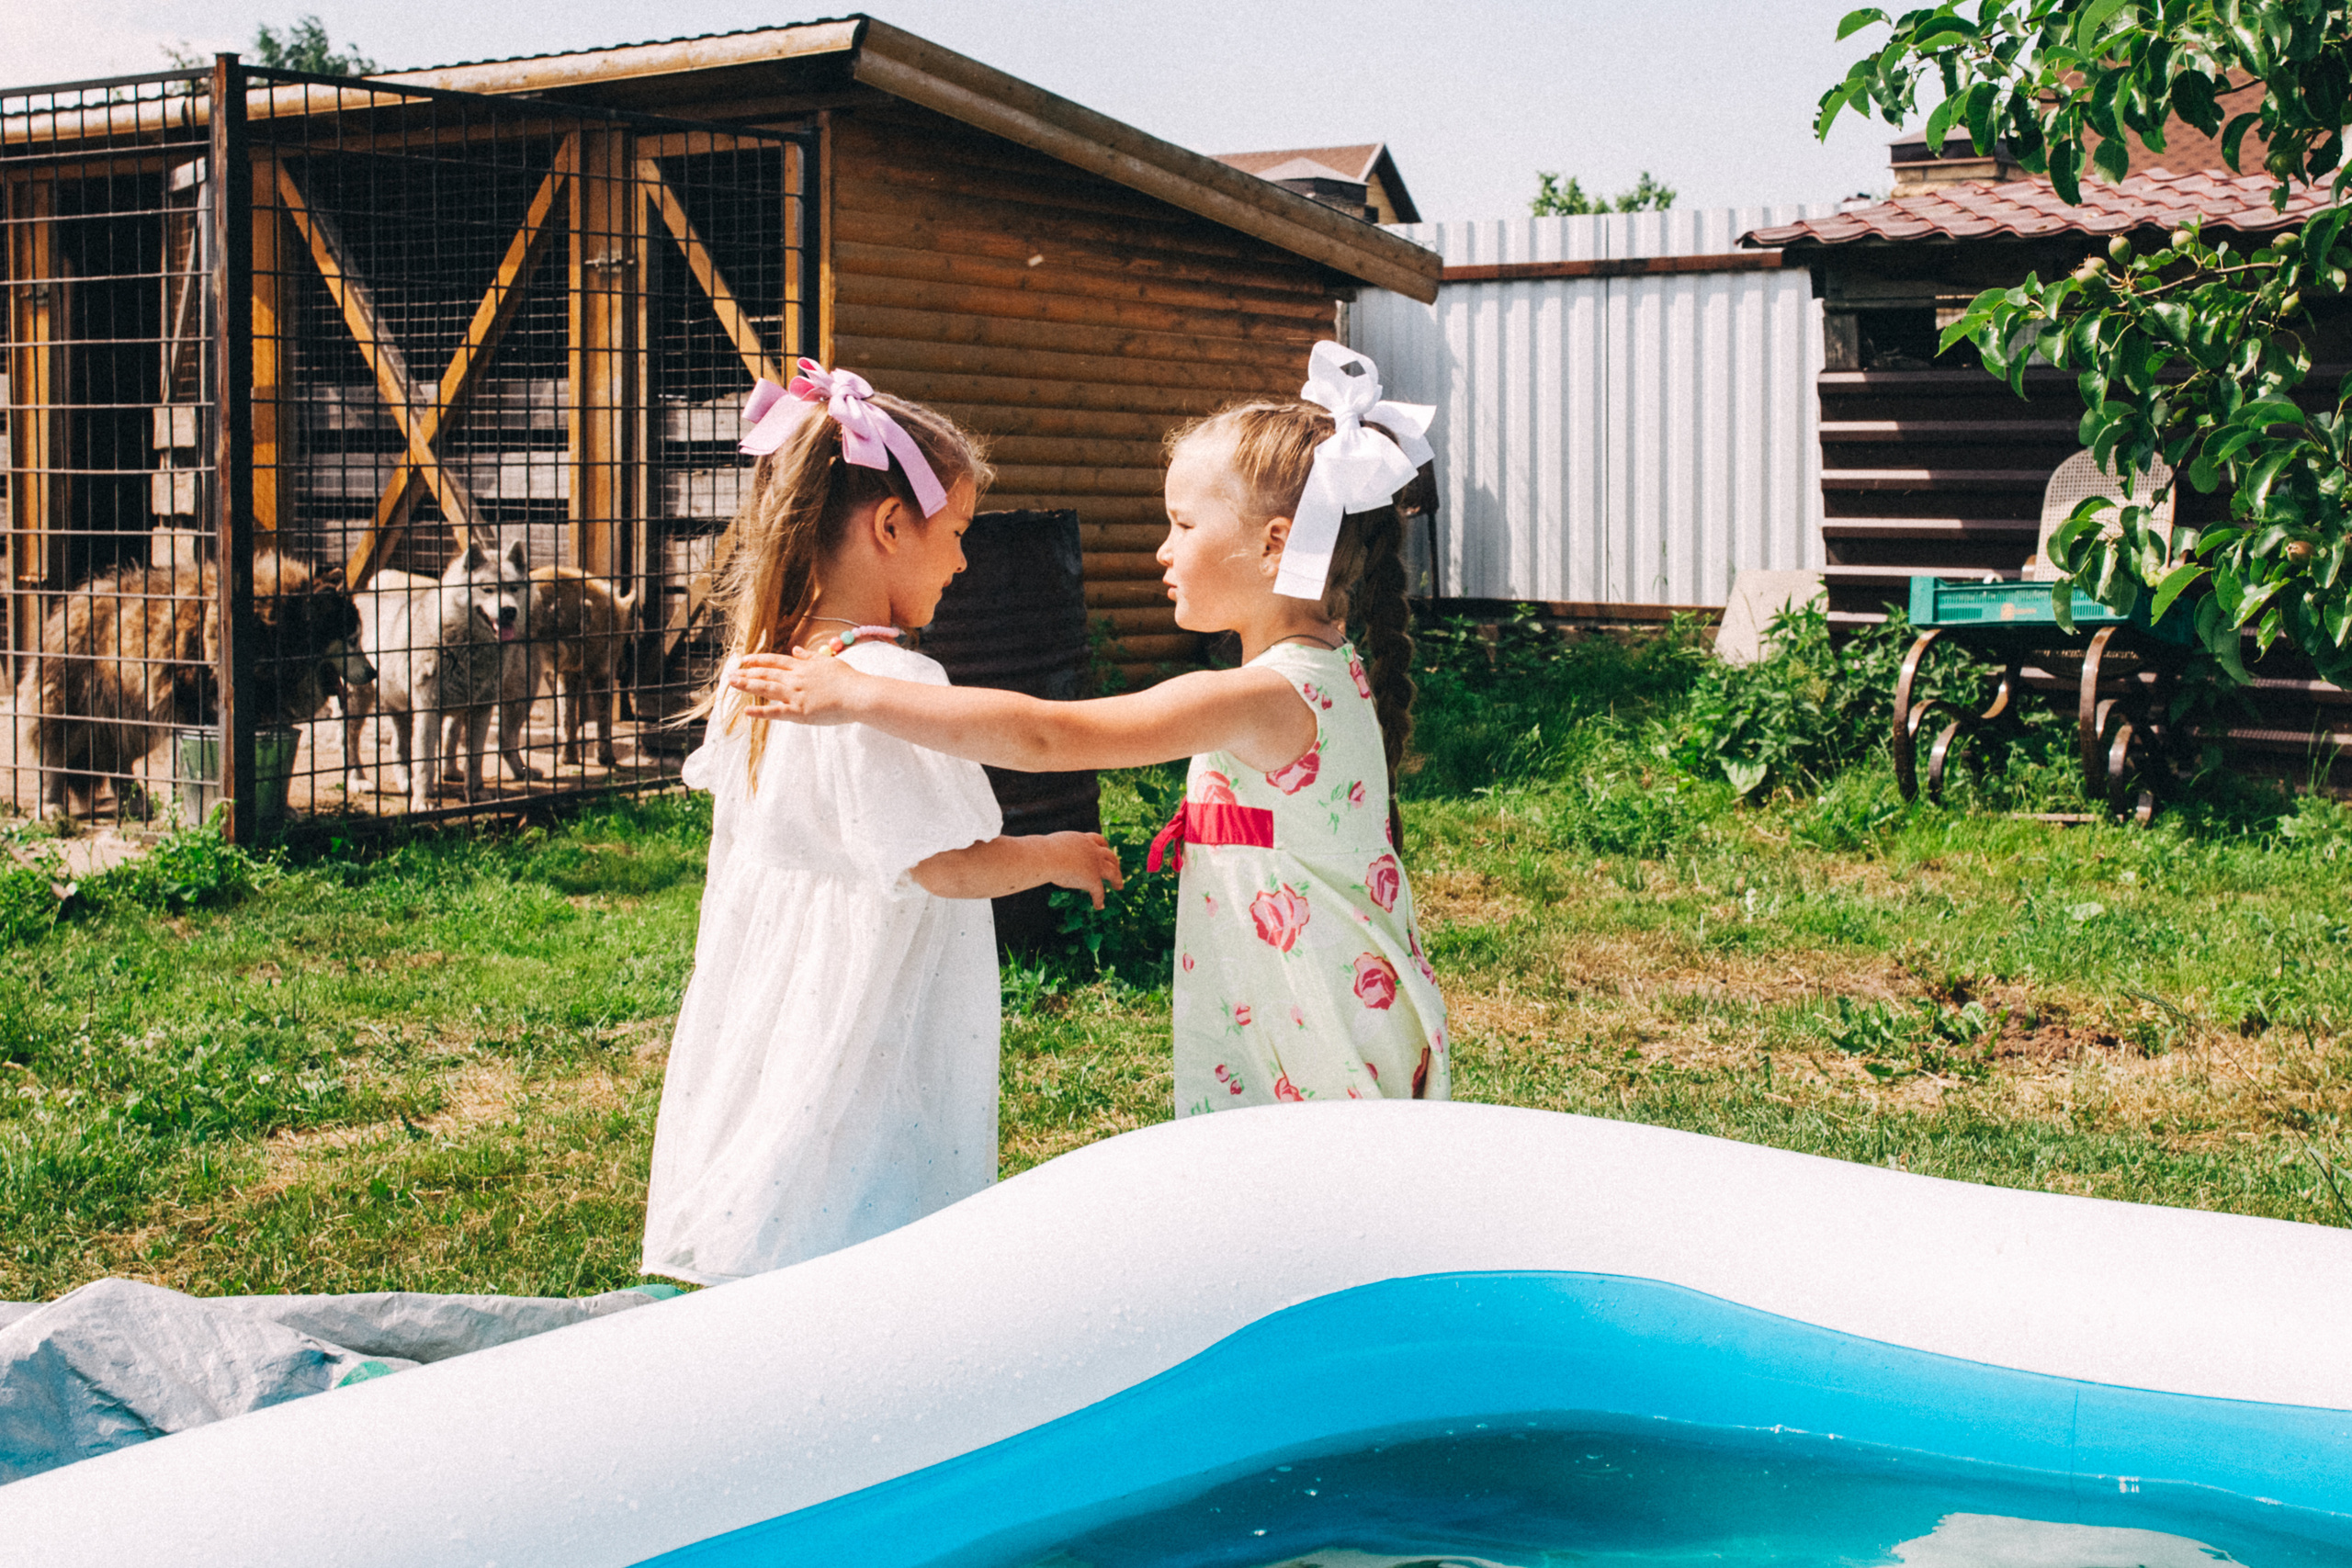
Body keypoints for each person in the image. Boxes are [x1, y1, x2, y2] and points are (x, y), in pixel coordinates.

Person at [729, 342, 1448, 1117]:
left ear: (1275, 544)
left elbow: (1048, 737)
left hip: (1318, 1030)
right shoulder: (1315, 675)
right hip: (1299, 1009)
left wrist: (858, 693)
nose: (1164, 550)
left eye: (1182, 523)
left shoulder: (1264, 695)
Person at [640, 362, 1123, 1284]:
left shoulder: (760, 668)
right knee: (866, 1150)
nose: (963, 560)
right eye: (956, 533)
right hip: (872, 987)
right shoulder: (891, 690)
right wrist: (1051, 853)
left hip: (779, 981)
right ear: (891, 525)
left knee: (787, 1120)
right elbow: (943, 866)